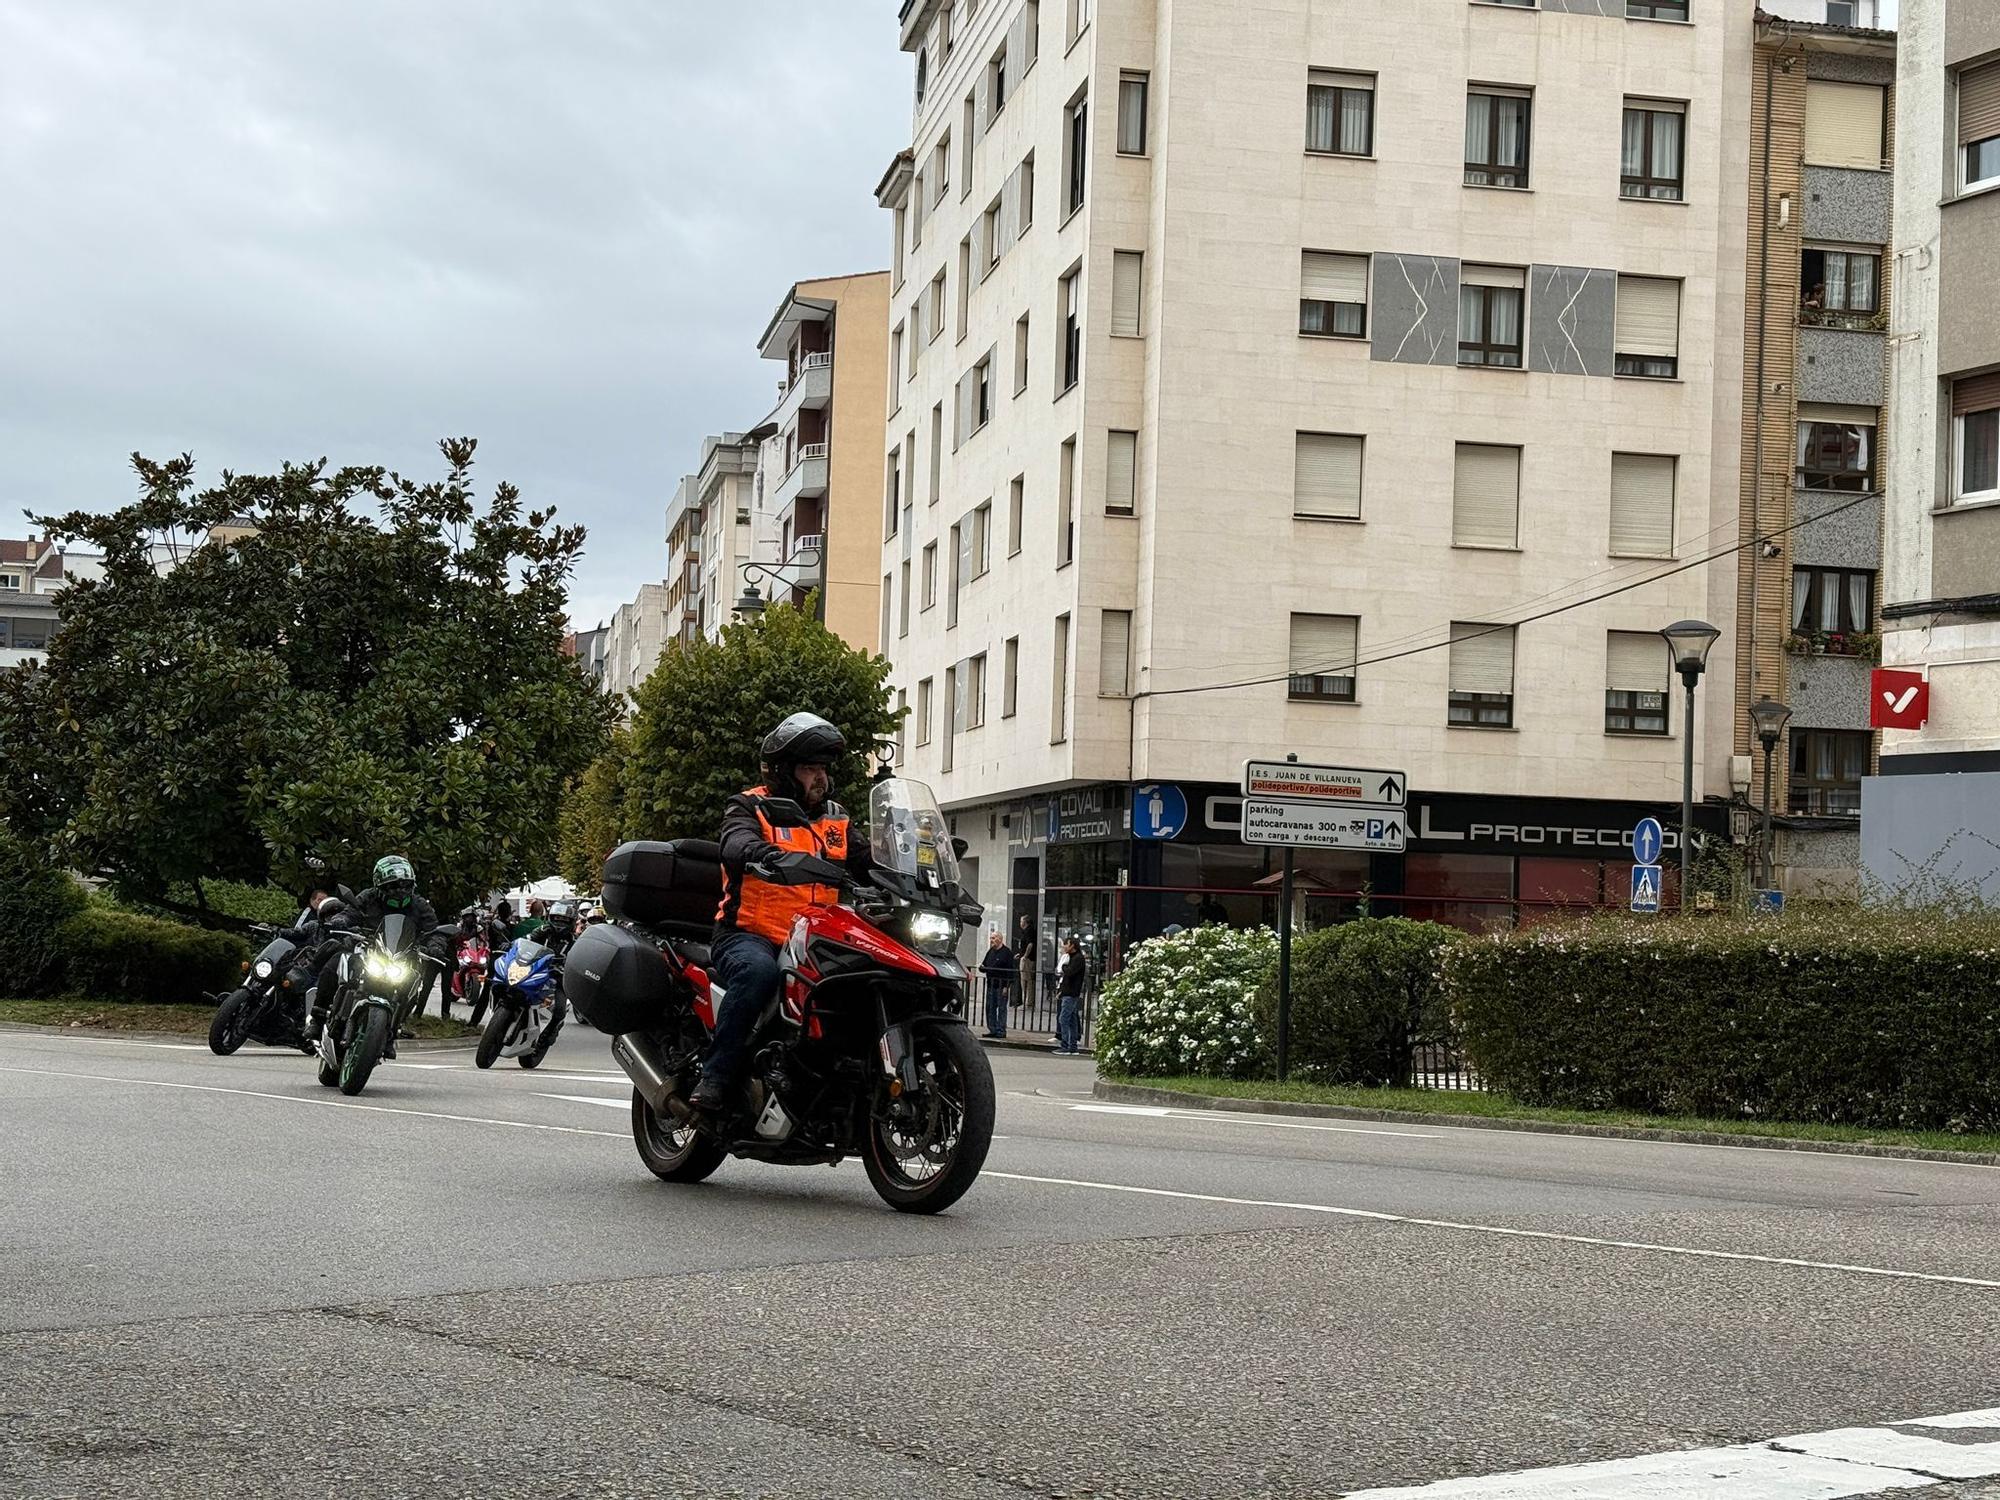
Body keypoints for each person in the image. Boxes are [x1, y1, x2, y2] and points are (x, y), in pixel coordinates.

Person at [691, 712, 873, 1116]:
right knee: (759, 974)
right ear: (784, 772)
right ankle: (716, 1078)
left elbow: (869, 860)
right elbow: (735, 842)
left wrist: (919, 867)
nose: (820, 778)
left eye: (823, 769)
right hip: (749, 934)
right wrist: (760, 853)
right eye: (810, 769)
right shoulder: (750, 806)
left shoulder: (836, 820)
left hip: (816, 940)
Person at [306, 855, 449, 1061]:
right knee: (337, 961)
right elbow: (351, 911)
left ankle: (391, 1033)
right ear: (379, 885)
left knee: (412, 986)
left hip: (400, 958)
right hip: (368, 950)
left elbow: (434, 931)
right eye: (393, 886)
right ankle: (317, 1019)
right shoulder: (368, 897)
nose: (399, 890)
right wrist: (341, 920)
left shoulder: (419, 905)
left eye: (404, 885)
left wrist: (436, 946)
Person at [979, 931, 1018, 1039]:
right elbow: (983, 965)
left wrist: (1007, 986)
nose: (991, 940)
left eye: (993, 938)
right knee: (990, 1007)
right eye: (990, 938)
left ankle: (1001, 1030)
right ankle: (992, 1029)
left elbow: (1010, 971)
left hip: (1001, 985)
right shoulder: (990, 951)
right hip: (991, 984)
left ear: (1000, 939)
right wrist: (983, 968)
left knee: (1001, 1008)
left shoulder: (1007, 953)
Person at [1055, 937, 1086, 1055]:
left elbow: (1069, 972)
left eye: (1066, 945)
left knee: (1064, 1018)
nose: (1064, 947)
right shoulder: (1073, 957)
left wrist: (1063, 967)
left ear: (1072, 945)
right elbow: (1067, 978)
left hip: (1072, 993)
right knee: (1072, 1019)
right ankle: (1072, 1046)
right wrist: (1061, 991)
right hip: (1068, 991)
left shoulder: (1078, 958)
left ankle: (1066, 1045)